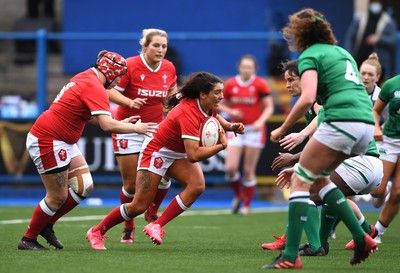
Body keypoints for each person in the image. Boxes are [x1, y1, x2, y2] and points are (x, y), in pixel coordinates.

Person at [263, 8, 378, 269]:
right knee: (321, 179)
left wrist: (282, 129)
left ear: (300, 34)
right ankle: (363, 237)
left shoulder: (310, 55)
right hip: (365, 124)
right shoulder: (343, 53)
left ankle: (291, 256)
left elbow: (307, 98)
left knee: (300, 182)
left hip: (341, 121)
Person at [86, 72, 245, 250]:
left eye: (222, 92)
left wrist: (230, 127)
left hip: (175, 152)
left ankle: (156, 225)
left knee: (197, 185)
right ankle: (97, 231)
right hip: (157, 152)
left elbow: (214, 116)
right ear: (203, 94)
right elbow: (193, 155)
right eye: (217, 92)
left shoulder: (207, 104)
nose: (222, 96)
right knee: (138, 206)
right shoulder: (188, 112)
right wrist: (221, 146)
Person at [17, 50, 158, 250]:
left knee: (84, 187)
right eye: (118, 77)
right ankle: (28, 239)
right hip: (48, 139)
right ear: (110, 73)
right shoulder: (94, 86)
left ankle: (46, 224)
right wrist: (136, 128)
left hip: (61, 140)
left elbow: (89, 116)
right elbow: (107, 126)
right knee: (57, 196)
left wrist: (119, 121)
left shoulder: (87, 77)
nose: (118, 83)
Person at [107, 28, 178, 243]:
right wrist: (129, 102)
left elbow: (172, 95)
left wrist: (178, 99)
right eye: (156, 45)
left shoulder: (168, 67)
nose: (160, 49)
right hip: (128, 127)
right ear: (145, 46)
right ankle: (128, 226)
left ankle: (152, 211)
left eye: (164, 46)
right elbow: (108, 90)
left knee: (165, 176)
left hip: (156, 129)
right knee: (131, 185)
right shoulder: (130, 65)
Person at [219, 55, 274, 216]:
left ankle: (246, 205)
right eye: (244, 66)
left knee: (249, 170)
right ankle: (238, 194)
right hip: (236, 129)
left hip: (254, 131)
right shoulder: (230, 84)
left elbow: (269, 107)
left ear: (254, 69)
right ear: (239, 67)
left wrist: (260, 121)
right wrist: (231, 112)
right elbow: (220, 103)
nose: (246, 70)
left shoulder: (260, 84)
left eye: (249, 67)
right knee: (230, 168)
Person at [367, 72, 400, 244]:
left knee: (398, 192)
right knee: (376, 190)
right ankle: (381, 192)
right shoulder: (392, 85)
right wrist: (377, 129)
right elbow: (375, 110)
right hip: (389, 140)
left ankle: (376, 233)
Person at [344, 0, 397, 83]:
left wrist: (379, 39)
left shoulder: (388, 21)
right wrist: (349, 55)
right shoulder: (361, 19)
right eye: (373, 3)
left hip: (379, 63)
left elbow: (393, 40)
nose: (375, 6)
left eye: (377, 3)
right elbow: (350, 37)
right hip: (359, 59)